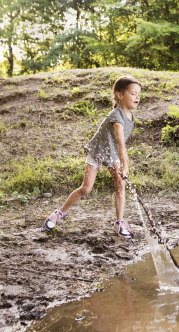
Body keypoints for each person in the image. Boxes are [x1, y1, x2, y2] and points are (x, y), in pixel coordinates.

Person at [44, 75, 142, 238]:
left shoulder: (131, 118)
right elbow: (120, 144)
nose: (137, 97)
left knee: (120, 185)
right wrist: (125, 165)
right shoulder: (116, 116)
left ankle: (119, 222)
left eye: (139, 94)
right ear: (120, 95)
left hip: (112, 153)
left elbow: (120, 145)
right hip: (98, 151)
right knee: (86, 188)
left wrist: (122, 165)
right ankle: (59, 214)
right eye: (133, 93)